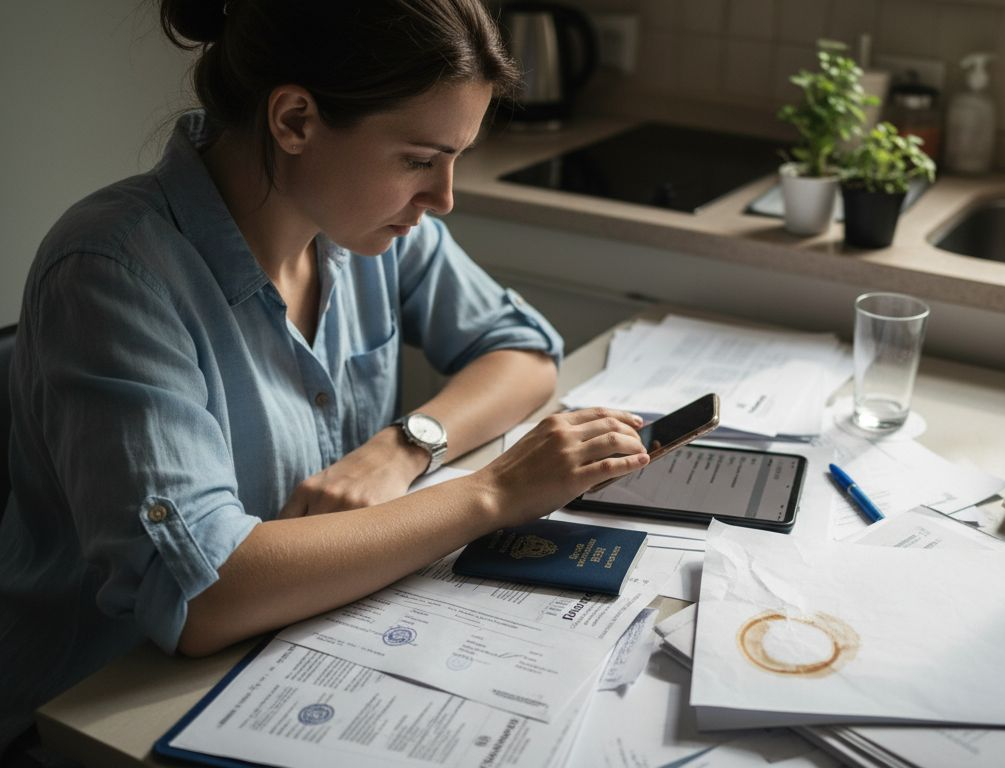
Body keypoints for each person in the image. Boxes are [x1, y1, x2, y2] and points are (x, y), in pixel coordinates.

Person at [0, 0, 650, 757]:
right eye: (417, 159)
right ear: (296, 121)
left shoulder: (370, 229)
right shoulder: (113, 273)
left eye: (454, 159)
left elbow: (524, 353)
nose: (442, 198)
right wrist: (492, 492)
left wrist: (407, 446)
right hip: (95, 714)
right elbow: (203, 592)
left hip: (292, 656)